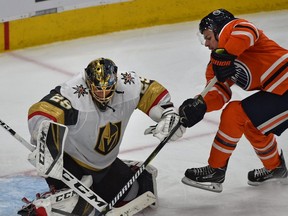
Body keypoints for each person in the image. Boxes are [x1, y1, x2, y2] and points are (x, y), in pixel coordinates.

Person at [18, 57, 185, 215]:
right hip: (70, 164)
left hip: (105, 164)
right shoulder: (74, 94)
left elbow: (151, 91)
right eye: (98, 89)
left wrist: (167, 112)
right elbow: (41, 111)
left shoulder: (126, 84)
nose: (104, 95)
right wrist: (45, 138)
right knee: (72, 207)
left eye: (108, 89)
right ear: (89, 83)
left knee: (134, 191)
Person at [178, 9, 288, 193]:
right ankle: (275, 167)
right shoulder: (216, 64)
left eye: (208, 37)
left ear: (219, 30)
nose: (205, 43)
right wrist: (201, 105)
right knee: (248, 122)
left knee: (237, 113)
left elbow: (247, 30)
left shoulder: (235, 31)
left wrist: (227, 54)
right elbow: (219, 92)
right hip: (280, 93)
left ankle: (216, 169)